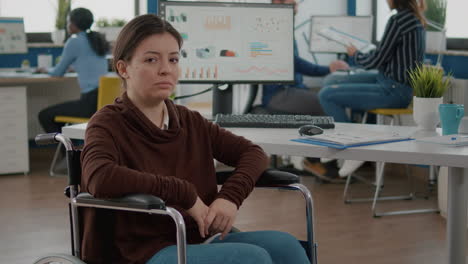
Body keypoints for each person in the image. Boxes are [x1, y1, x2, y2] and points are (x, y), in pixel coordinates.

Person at [80, 14, 311, 264]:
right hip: (140, 250)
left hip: (197, 237)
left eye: (173, 59)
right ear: (123, 68)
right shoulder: (107, 123)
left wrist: (230, 197)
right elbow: (100, 177)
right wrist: (182, 192)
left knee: (286, 246)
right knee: (252, 258)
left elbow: (253, 154)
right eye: (151, 59)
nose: (165, 69)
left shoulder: (189, 121)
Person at [318, 0, 427, 177]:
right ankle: (342, 141)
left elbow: (376, 60)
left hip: (393, 90)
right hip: (388, 80)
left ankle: (352, 148)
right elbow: (387, 56)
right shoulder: (414, 19)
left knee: (326, 95)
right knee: (331, 80)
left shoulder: (398, 20)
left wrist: (356, 55)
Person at [261, 0, 349, 115]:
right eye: (293, 3)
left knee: (331, 94)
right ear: (277, 2)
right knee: (329, 102)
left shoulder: (284, 25)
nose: (297, 6)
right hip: (280, 94)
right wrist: (328, 69)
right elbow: (294, 62)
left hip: (294, 89)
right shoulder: (274, 28)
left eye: (296, 4)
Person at [38, 7, 109, 133]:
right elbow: (90, 63)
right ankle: (72, 151)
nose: (67, 25)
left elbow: (57, 72)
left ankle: (69, 152)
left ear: (74, 24)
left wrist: (45, 70)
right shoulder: (98, 40)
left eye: (68, 21)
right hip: (104, 103)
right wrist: (75, 68)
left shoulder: (74, 41)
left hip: (89, 104)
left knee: (44, 115)